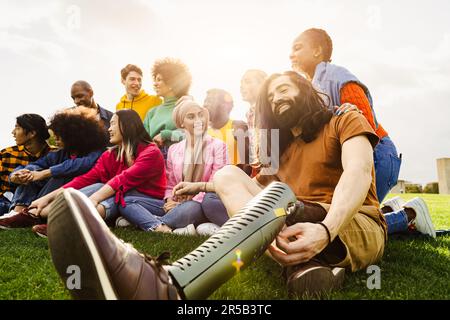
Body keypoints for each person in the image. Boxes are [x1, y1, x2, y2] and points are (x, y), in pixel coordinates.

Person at [45, 71, 410, 300]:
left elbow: (359, 173)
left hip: (348, 223)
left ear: (305, 89)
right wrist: (199, 184)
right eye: (271, 97)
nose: (279, 98)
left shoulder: (344, 117)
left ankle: (170, 285)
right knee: (228, 176)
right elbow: (248, 191)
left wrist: (326, 230)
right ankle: (302, 270)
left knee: (279, 197)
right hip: (288, 222)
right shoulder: (273, 144)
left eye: (285, 89)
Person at [1, 110, 167, 236]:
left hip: (144, 202)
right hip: (114, 197)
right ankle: (34, 213)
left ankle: (70, 224)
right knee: (98, 185)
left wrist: (91, 201)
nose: (109, 129)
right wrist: (46, 198)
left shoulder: (150, 152)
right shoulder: (111, 154)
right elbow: (86, 178)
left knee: (116, 193)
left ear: (127, 125)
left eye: (113, 124)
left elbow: (121, 180)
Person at [289, 28, 401, 203]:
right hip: (352, 161)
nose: (291, 55)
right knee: (343, 217)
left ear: (317, 51)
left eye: (297, 48)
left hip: (377, 155)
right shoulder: (310, 87)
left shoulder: (336, 76)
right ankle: (397, 212)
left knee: (357, 219)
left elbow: (364, 122)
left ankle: (410, 214)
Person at [0, 107, 108, 235]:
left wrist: (45, 173)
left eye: (60, 134)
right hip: (48, 198)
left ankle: (30, 215)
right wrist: (21, 173)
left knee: (59, 175)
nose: (55, 137)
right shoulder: (59, 154)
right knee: (29, 176)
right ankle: (19, 211)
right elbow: (38, 164)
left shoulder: (96, 152)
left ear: (74, 135)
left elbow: (81, 165)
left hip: (78, 194)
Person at [155, 98, 229, 235]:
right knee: (135, 200)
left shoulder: (218, 146)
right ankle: (181, 227)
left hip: (203, 202)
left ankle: (157, 223)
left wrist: (181, 205)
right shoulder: (174, 150)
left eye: (200, 114)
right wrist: (170, 199)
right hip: (179, 201)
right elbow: (170, 184)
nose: (198, 120)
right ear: (181, 123)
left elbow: (215, 185)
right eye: (191, 117)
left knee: (192, 208)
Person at [0, 114, 53, 215]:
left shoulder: (55, 155)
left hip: (38, 201)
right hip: (5, 201)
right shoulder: (7, 154)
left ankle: (19, 211)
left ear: (32, 133)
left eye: (17, 128)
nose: (13, 132)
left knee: (30, 171)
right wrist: (13, 178)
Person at [143, 58, 192, 159]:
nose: (155, 84)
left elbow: (193, 135)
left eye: (159, 80)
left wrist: (167, 135)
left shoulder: (186, 107)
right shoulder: (152, 112)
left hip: (178, 159)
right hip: (153, 159)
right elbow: (142, 140)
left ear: (171, 83)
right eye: (155, 80)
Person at [204, 88, 251, 174]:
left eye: (210, 101)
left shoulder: (238, 126)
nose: (205, 104)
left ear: (226, 105)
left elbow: (248, 164)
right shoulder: (204, 134)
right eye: (205, 101)